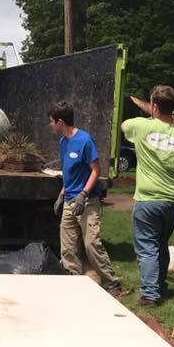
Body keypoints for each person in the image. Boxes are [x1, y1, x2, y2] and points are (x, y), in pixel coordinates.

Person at [122, 85, 174, 306]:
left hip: (147, 200)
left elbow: (123, 125)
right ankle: (161, 287)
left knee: (147, 246)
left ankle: (150, 294)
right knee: (160, 242)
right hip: (172, 201)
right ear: (173, 108)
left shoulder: (140, 127)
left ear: (154, 106)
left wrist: (151, 113)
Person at [48, 101, 121, 296]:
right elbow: (69, 173)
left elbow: (96, 171)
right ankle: (74, 280)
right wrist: (62, 195)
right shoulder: (63, 142)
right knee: (68, 246)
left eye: (51, 122)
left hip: (86, 202)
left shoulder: (85, 140)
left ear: (60, 121)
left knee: (91, 243)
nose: (50, 125)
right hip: (70, 200)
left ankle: (111, 282)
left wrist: (83, 195)